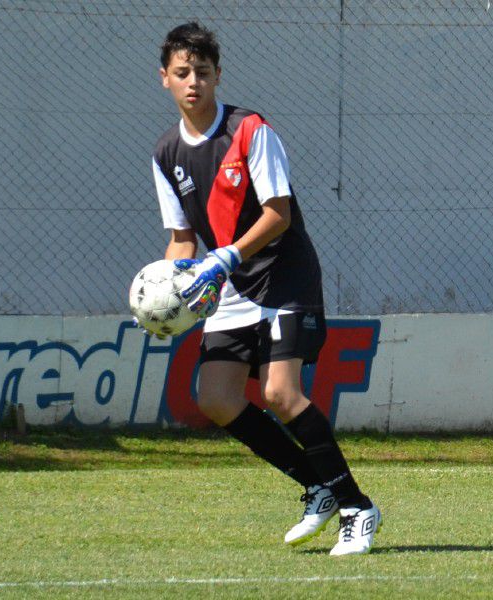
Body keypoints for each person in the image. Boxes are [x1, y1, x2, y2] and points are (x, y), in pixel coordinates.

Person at [149, 22, 381, 556]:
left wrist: (226, 255)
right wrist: (168, 300)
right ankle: (315, 483)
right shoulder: (165, 154)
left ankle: (356, 506)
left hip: (284, 276)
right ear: (164, 79)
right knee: (216, 398)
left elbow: (278, 215)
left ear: (217, 76)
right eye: (182, 73)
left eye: (202, 73)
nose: (193, 83)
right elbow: (182, 241)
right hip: (227, 286)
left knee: (280, 393)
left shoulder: (250, 130)